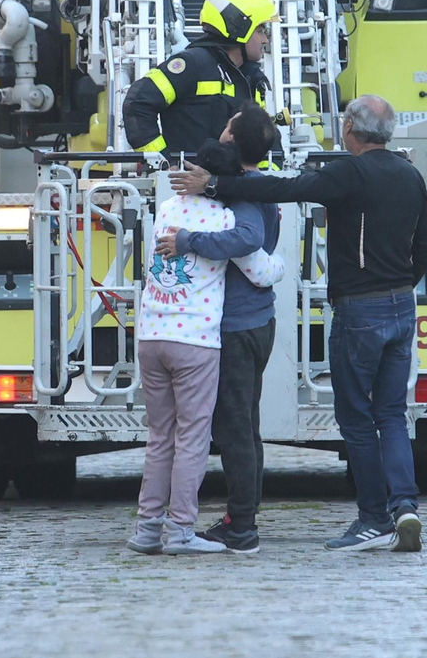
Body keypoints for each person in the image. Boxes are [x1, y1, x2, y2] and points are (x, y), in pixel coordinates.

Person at [173, 95, 427, 553]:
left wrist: (214, 185)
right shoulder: (411, 175)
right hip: (401, 308)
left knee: (355, 419)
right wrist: (400, 287)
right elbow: (424, 251)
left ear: (351, 127)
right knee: (391, 414)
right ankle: (405, 506)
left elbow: (283, 189)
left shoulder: (349, 172)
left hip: (360, 309)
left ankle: (373, 518)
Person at [126, 140, 286, 557]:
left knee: (160, 437)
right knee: (193, 438)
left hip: (151, 336)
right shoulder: (222, 216)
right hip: (194, 340)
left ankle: (146, 530)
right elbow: (261, 269)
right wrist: (283, 263)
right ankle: (180, 531)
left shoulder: (165, 209)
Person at [121, 0, 275, 157]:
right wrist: (162, 162)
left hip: (231, 183)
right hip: (188, 182)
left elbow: (262, 138)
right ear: (239, 27)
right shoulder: (192, 65)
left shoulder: (252, 79)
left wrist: (262, 178)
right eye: (261, 31)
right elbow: (138, 104)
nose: (265, 40)